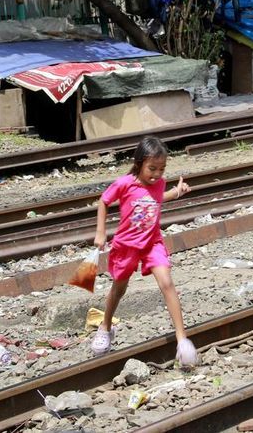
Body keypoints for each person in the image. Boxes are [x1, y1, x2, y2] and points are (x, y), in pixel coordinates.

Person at [91, 136, 199, 366]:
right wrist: (101, 232)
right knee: (119, 288)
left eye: (162, 169)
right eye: (152, 168)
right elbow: (103, 201)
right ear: (139, 163)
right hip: (127, 245)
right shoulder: (125, 183)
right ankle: (105, 326)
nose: (157, 174)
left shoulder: (158, 184)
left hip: (152, 243)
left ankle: (182, 340)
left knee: (167, 282)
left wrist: (177, 192)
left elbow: (158, 198)